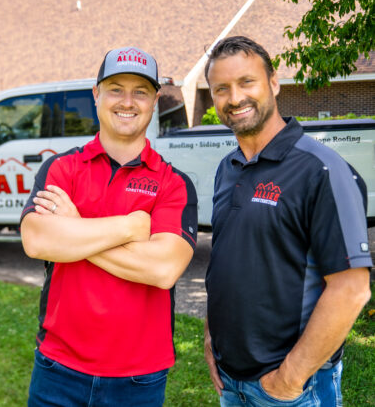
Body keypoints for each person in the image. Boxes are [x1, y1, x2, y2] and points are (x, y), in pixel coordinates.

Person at [20, 46, 198, 407]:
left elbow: (162, 269)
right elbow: (38, 240)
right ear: (96, 95)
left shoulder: (173, 183)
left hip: (138, 378)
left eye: (141, 92)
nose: (127, 101)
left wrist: (75, 230)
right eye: (116, 88)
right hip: (58, 367)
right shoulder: (62, 169)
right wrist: (133, 226)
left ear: (154, 102)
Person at [203, 36, 372, 406]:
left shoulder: (321, 170)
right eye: (221, 88)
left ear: (274, 82)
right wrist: (211, 336)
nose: (234, 98)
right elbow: (226, 260)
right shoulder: (227, 169)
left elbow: (352, 289)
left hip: (291, 389)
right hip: (232, 381)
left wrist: (288, 380)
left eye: (247, 82)